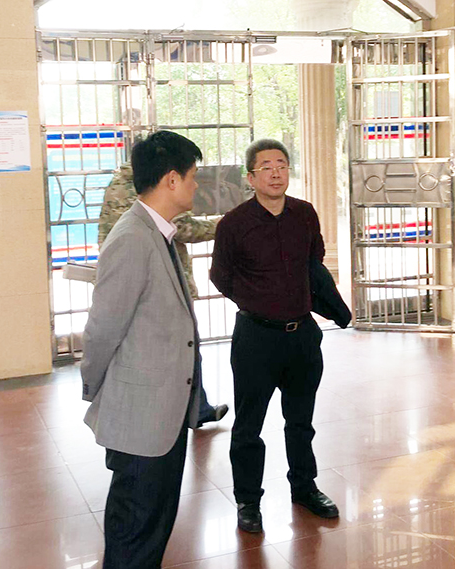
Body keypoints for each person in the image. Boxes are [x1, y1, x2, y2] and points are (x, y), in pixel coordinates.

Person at [81, 131, 205, 568]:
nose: (196, 186)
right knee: (135, 531)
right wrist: (97, 387)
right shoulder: (133, 238)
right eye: (192, 176)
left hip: (162, 413)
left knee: (152, 527)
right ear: (171, 180)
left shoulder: (158, 232)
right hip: (141, 418)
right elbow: (102, 329)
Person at [210, 139, 339, 533]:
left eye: (281, 164)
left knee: (301, 421)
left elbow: (315, 260)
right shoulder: (234, 224)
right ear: (251, 177)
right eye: (266, 167)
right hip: (256, 338)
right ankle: (248, 500)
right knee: (249, 426)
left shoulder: (304, 214)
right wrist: (256, 300)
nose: (276, 173)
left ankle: (305, 487)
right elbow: (220, 276)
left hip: (302, 335)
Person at [98, 162, 228, 428]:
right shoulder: (153, 190)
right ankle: (188, 411)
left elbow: (103, 231)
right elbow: (185, 229)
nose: (193, 184)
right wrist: (223, 225)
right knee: (185, 348)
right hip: (165, 281)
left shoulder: (116, 184)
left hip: (129, 279)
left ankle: (192, 408)